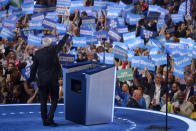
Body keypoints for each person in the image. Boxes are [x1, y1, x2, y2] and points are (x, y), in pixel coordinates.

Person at [27, 33, 70, 126]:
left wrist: (31, 78)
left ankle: (44, 121)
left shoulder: (37, 53)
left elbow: (33, 68)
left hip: (42, 81)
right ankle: (50, 118)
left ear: (43, 44)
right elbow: (62, 43)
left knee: (43, 101)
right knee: (54, 100)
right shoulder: (54, 50)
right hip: (53, 80)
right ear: (50, 44)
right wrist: (67, 34)